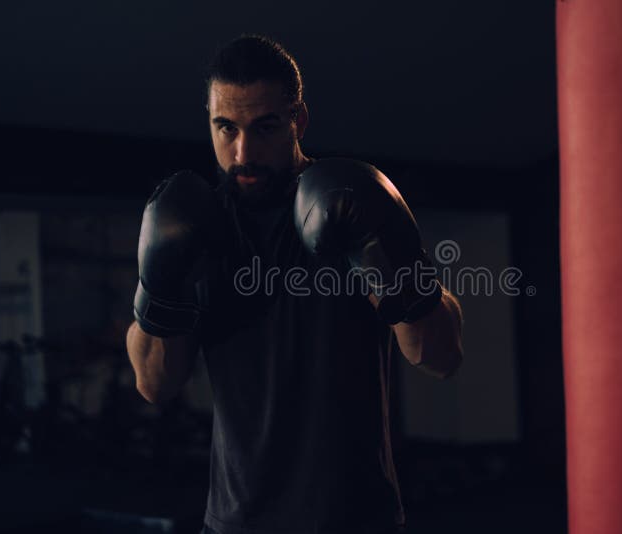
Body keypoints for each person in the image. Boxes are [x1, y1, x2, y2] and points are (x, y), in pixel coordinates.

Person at [126, 34, 464, 534]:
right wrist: (160, 282)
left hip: (355, 519)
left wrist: (400, 268)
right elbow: (155, 384)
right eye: (226, 128)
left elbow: (440, 357)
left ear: (298, 120)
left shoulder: (347, 207)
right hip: (237, 522)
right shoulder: (198, 227)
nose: (243, 151)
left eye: (264, 127)